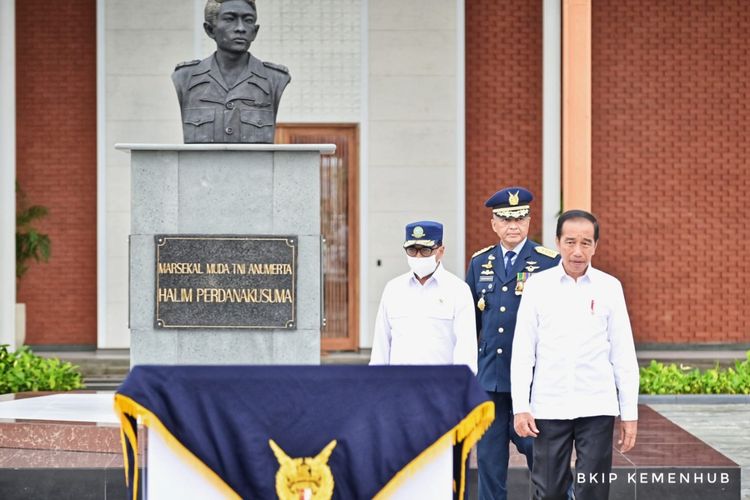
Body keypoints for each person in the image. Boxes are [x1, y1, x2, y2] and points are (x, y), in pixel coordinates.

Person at [511, 209, 639, 500]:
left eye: (586, 243)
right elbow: (523, 351)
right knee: (549, 490)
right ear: (557, 242)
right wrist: (521, 406)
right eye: (570, 242)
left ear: (596, 245)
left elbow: (623, 354)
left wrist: (629, 413)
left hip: (596, 405)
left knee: (593, 489)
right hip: (549, 406)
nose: (578, 251)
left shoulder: (610, 287)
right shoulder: (537, 287)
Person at [466, 187, 560, 500]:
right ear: (493, 223)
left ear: (529, 221)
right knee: (490, 462)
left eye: (519, 217)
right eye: (505, 219)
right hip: (491, 379)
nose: (513, 225)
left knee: (542, 457)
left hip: (533, 382)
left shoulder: (548, 263)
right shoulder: (480, 263)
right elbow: (471, 326)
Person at [172, 0, 291, 144]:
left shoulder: (275, 78)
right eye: (230, 19)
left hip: (255, 167)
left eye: (248, 20)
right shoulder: (185, 77)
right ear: (210, 30)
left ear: (255, 31)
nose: (240, 28)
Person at [370, 221, 477, 373]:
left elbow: (466, 349)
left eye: (426, 250)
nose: (418, 256)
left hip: (441, 386)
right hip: (399, 386)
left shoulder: (458, 290)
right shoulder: (393, 289)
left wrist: (459, 390)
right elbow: (381, 344)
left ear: (440, 251)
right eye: (412, 250)